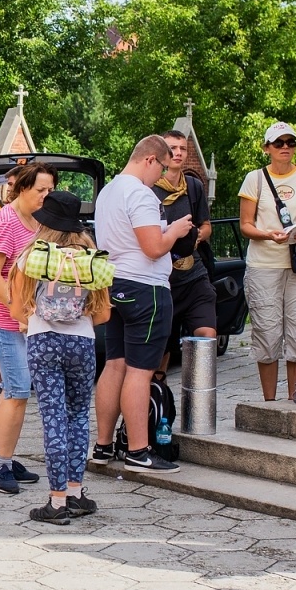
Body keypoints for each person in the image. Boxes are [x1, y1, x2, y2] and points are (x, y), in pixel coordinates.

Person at [95, 135, 196, 474]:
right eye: (162, 168)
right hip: (146, 289)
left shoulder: (108, 191)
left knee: (114, 365)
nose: (162, 178)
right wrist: (177, 230)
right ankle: (139, 450)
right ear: (150, 159)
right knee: (140, 372)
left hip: (115, 283)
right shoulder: (140, 193)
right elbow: (154, 247)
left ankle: (103, 446)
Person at [9, 191, 110, 524]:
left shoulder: (33, 256)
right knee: (79, 416)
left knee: (53, 417)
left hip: (43, 340)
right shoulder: (91, 257)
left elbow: (17, 309)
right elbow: (105, 314)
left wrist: (35, 320)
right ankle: (77, 493)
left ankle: (56, 502)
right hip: (82, 343)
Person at [0, 162, 57, 494]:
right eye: (41, 190)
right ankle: (0, 466)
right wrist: (19, 307)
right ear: (22, 188)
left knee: (16, 392)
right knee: (19, 389)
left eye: (49, 190)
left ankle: (4, 458)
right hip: (4, 318)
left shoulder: (37, 220)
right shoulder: (6, 221)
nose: (45, 196)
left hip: (26, 319)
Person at [238, 121, 296, 401]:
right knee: (267, 332)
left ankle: (294, 402)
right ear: (267, 148)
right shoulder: (255, 179)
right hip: (265, 265)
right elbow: (245, 225)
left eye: (291, 142)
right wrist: (268, 234)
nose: (285, 147)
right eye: (279, 143)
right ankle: (269, 403)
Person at [156, 130, 219, 356]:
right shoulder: (148, 188)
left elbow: (206, 225)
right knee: (162, 347)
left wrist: (195, 237)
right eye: (173, 148)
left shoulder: (193, 186)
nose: (178, 153)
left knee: (206, 336)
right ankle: (158, 388)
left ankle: (200, 388)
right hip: (163, 278)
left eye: (183, 148)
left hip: (194, 275)